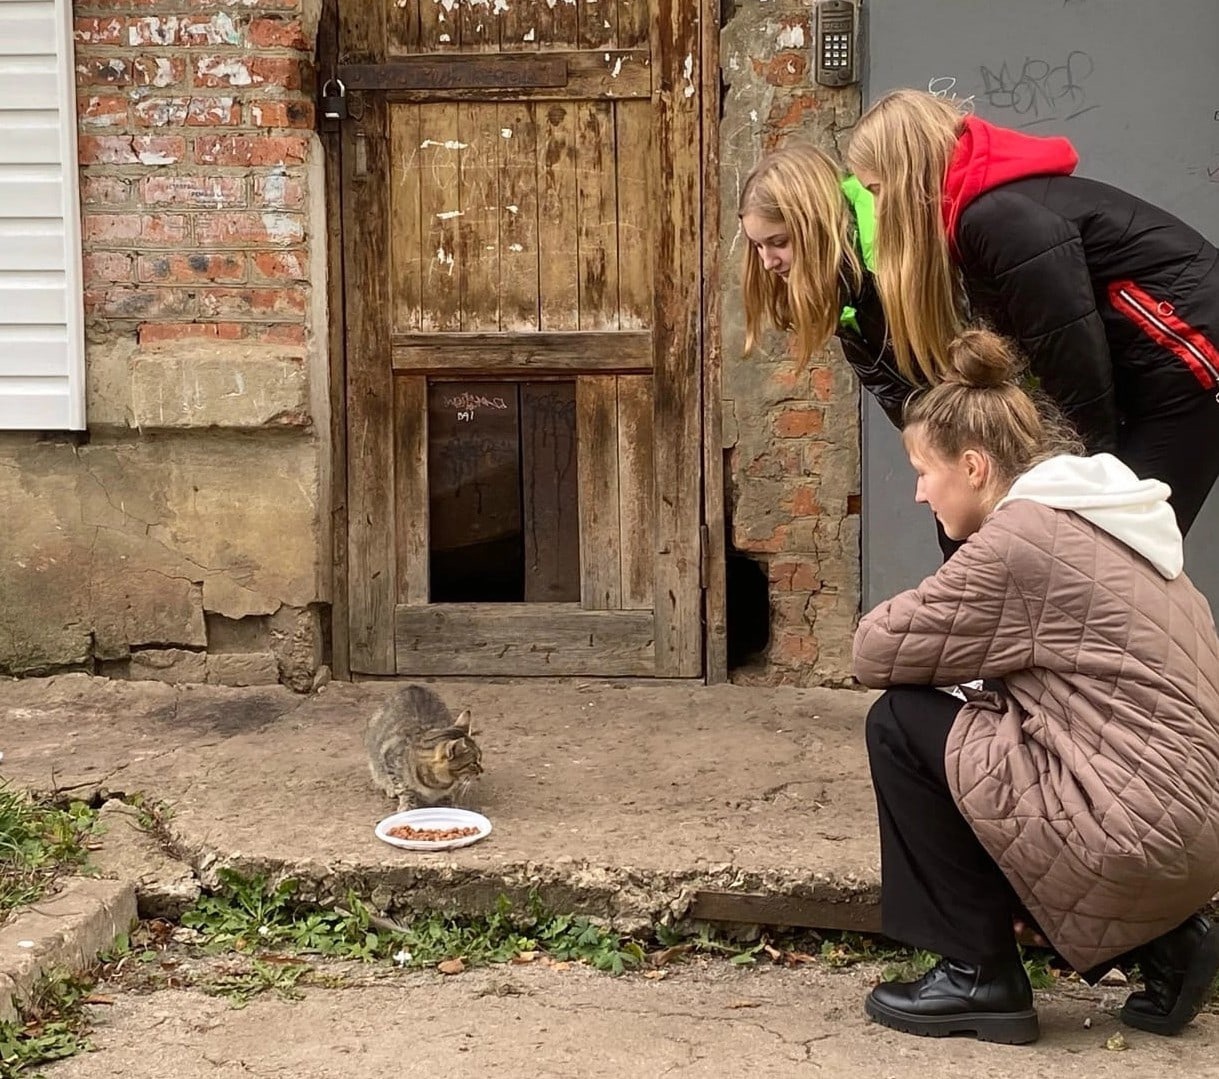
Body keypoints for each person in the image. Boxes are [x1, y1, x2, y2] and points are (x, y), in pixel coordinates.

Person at [853, 327, 1219, 1045]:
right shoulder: (1108, 513)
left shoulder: (1021, 539)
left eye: (924, 471)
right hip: (1191, 842)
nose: (919, 492)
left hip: (1130, 838)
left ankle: (975, 973)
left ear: (973, 464)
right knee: (999, 725)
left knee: (901, 723)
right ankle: (1165, 943)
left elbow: (876, 647)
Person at [846, 88, 1219, 535]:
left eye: (877, 191)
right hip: (1164, 359)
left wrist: (1089, 469)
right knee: (1117, 542)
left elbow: (1067, 346)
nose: (880, 209)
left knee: (1122, 539)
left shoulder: (996, 217)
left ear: (904, 174)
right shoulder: (980, 209)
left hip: (1187, 349)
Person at [738, 142, 918, 428]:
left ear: (817, 227)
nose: (767, 262)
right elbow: (899, 400)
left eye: (779, 243)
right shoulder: (841, 293)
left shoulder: (890, 263)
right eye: (758, 246)